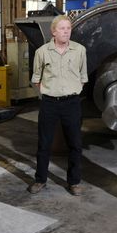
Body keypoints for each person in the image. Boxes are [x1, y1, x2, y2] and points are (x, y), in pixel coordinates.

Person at [28, 15, 88, 196]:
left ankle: (74, 182)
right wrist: (50, 93)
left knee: (75, 144)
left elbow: (83, 77)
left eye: (68, 28)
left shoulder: (80, 50)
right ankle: (40, 180)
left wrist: (70, 91)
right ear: (53, 32)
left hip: (72, 103)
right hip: (49, 104)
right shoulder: (42, 52)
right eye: (62, 29)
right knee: (44, 143)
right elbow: (36, 79)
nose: (66, 31)